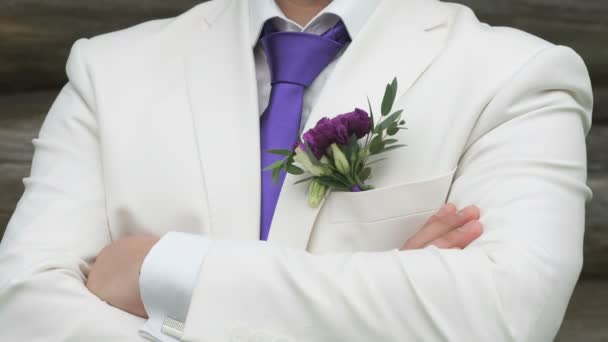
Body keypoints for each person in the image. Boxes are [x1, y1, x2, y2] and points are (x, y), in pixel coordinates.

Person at [0, 0, 593, 341]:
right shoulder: (109, 71)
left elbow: (503, 312)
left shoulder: (517, 75)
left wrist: (163, 272)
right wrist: (383, 294)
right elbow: (21, 307)